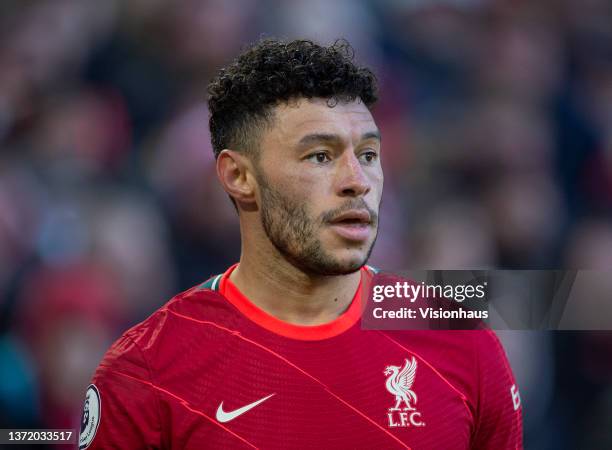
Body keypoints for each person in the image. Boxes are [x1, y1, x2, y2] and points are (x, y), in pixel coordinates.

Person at [78, 38, 522, 449]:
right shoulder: (147, 373)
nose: (357, 182)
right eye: (320, 156)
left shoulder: (462, 344)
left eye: (368, 154)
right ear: (239, 177)